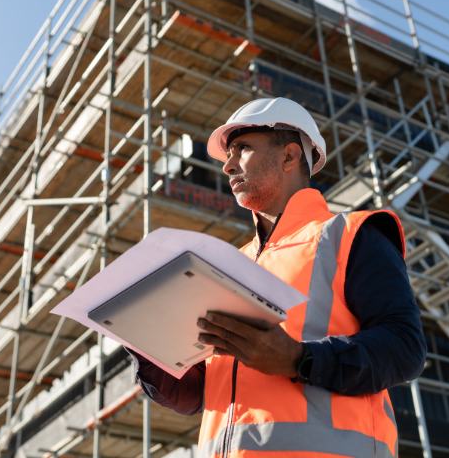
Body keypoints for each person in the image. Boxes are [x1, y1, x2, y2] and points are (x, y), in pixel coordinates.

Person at [128, 97, 426, 458]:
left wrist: (300, 359)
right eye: (229, 155)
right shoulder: (228, 265)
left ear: (288, 156)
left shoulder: (349, 235)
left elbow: (405, 348)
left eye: (242, 149)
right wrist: (146, 348)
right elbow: (196, 396)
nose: (228, 166)